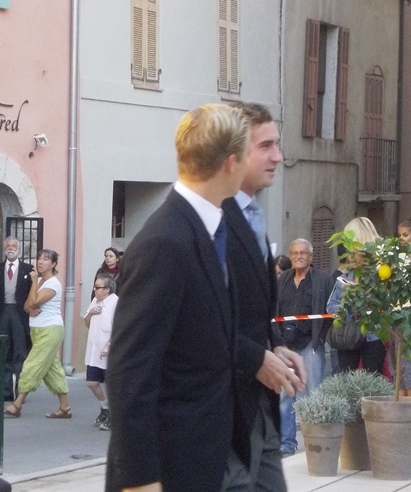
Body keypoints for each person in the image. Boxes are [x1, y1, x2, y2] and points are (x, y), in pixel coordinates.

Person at [105, 103, 252, 492]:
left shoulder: (208, 230)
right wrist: (140, 479)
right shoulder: (165, 243)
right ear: (231, 163)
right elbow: (130, 370)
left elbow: (204, 338)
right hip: (169, 470)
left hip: (207, 458)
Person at [222, 102, 306, 491]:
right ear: (235, 152)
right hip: (224, 410)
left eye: (278, 144)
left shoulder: (252, 213)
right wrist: (257, 357)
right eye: (267, 145)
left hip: (258, 405)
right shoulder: (214, 219)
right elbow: (206, 318)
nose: (278, 157)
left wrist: (275, 346)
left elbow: (249, 309)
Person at [277, 238, 334, 456]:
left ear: (311, 257)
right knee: (285, 395)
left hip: (310, 345)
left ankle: (316, 443)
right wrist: (278, 342)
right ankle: (287, 443)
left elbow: (331, 310)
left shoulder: (323, 280)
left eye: (303, 253)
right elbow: (275, 311)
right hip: (286, 347)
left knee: (314, 393)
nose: (298, 256)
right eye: (294, 253)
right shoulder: (282, 281)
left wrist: (319, 339)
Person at [4, 249, 72, 418]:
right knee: (52, 369)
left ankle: (17, 404)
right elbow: (27, 306)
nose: (40, 262)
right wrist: (34, 294)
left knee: (31, 364)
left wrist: (34, 283)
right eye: (39, 258)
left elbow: (33, 301)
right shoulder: (40, 280)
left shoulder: (53, 283)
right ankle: (65, 407)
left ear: (54, 264)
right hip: (38, 329)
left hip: (50, 329)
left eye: (46, 259)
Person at [327, 217, 386, 374]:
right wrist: (348, 304)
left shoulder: (382, 274)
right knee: (346, 379)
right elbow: (331, 306)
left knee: (373, 379)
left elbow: (386, 305)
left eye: (353, 248)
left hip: (374, 335)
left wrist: (361, 293)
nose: (350, 254)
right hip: (348, 335)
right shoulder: (344, 278)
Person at [0, 237, 33, 401]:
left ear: (18, 249)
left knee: (20, 352)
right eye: (8, 246)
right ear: (4, 248)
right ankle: (6, 392)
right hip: (3, 312)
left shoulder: (28, 269)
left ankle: (21, 391)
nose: (11, 248)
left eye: (14, 245)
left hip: (21, 315)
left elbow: (33, 292)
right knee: (3, 351)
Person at [84, 273, 118, 430]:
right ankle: (105, 408)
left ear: (108, 289)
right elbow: (86, 323)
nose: (95, 289)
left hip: (108, 351)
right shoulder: (95, 301)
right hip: (94, 350)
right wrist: (91, 313)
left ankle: (115, 417)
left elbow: (119, 328)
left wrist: (109, 345)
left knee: (111, 385)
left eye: (98, 287)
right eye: (95, 286)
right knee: (91, 382)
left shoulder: (115, 303)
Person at [389, 218, 411, 395]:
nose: (402, 239)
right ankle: (400, 401)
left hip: (408, 317)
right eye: (400, 235)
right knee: (397, 363)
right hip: (395, 314)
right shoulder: (398, 260)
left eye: (406, 234)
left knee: (407, 362)